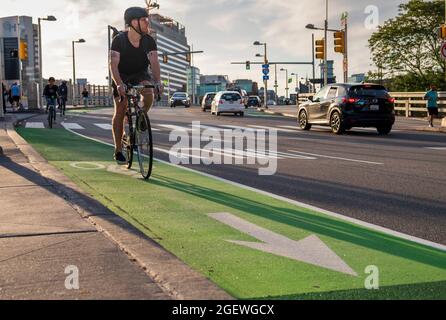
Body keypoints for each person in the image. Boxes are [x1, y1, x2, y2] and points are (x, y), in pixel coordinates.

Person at [109, 7, 163, 163]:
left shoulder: (149, 40)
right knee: (120, 108)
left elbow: (154, 62)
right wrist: (119, 84)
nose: (148, 23)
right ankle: (118, 149)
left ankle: (141, 118)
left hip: (140, 73)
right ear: (133, 22)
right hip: (122, 75)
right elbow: (113, 64)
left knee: (148, 92)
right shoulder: (119, 40)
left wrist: (158, 82)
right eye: (144, 20)